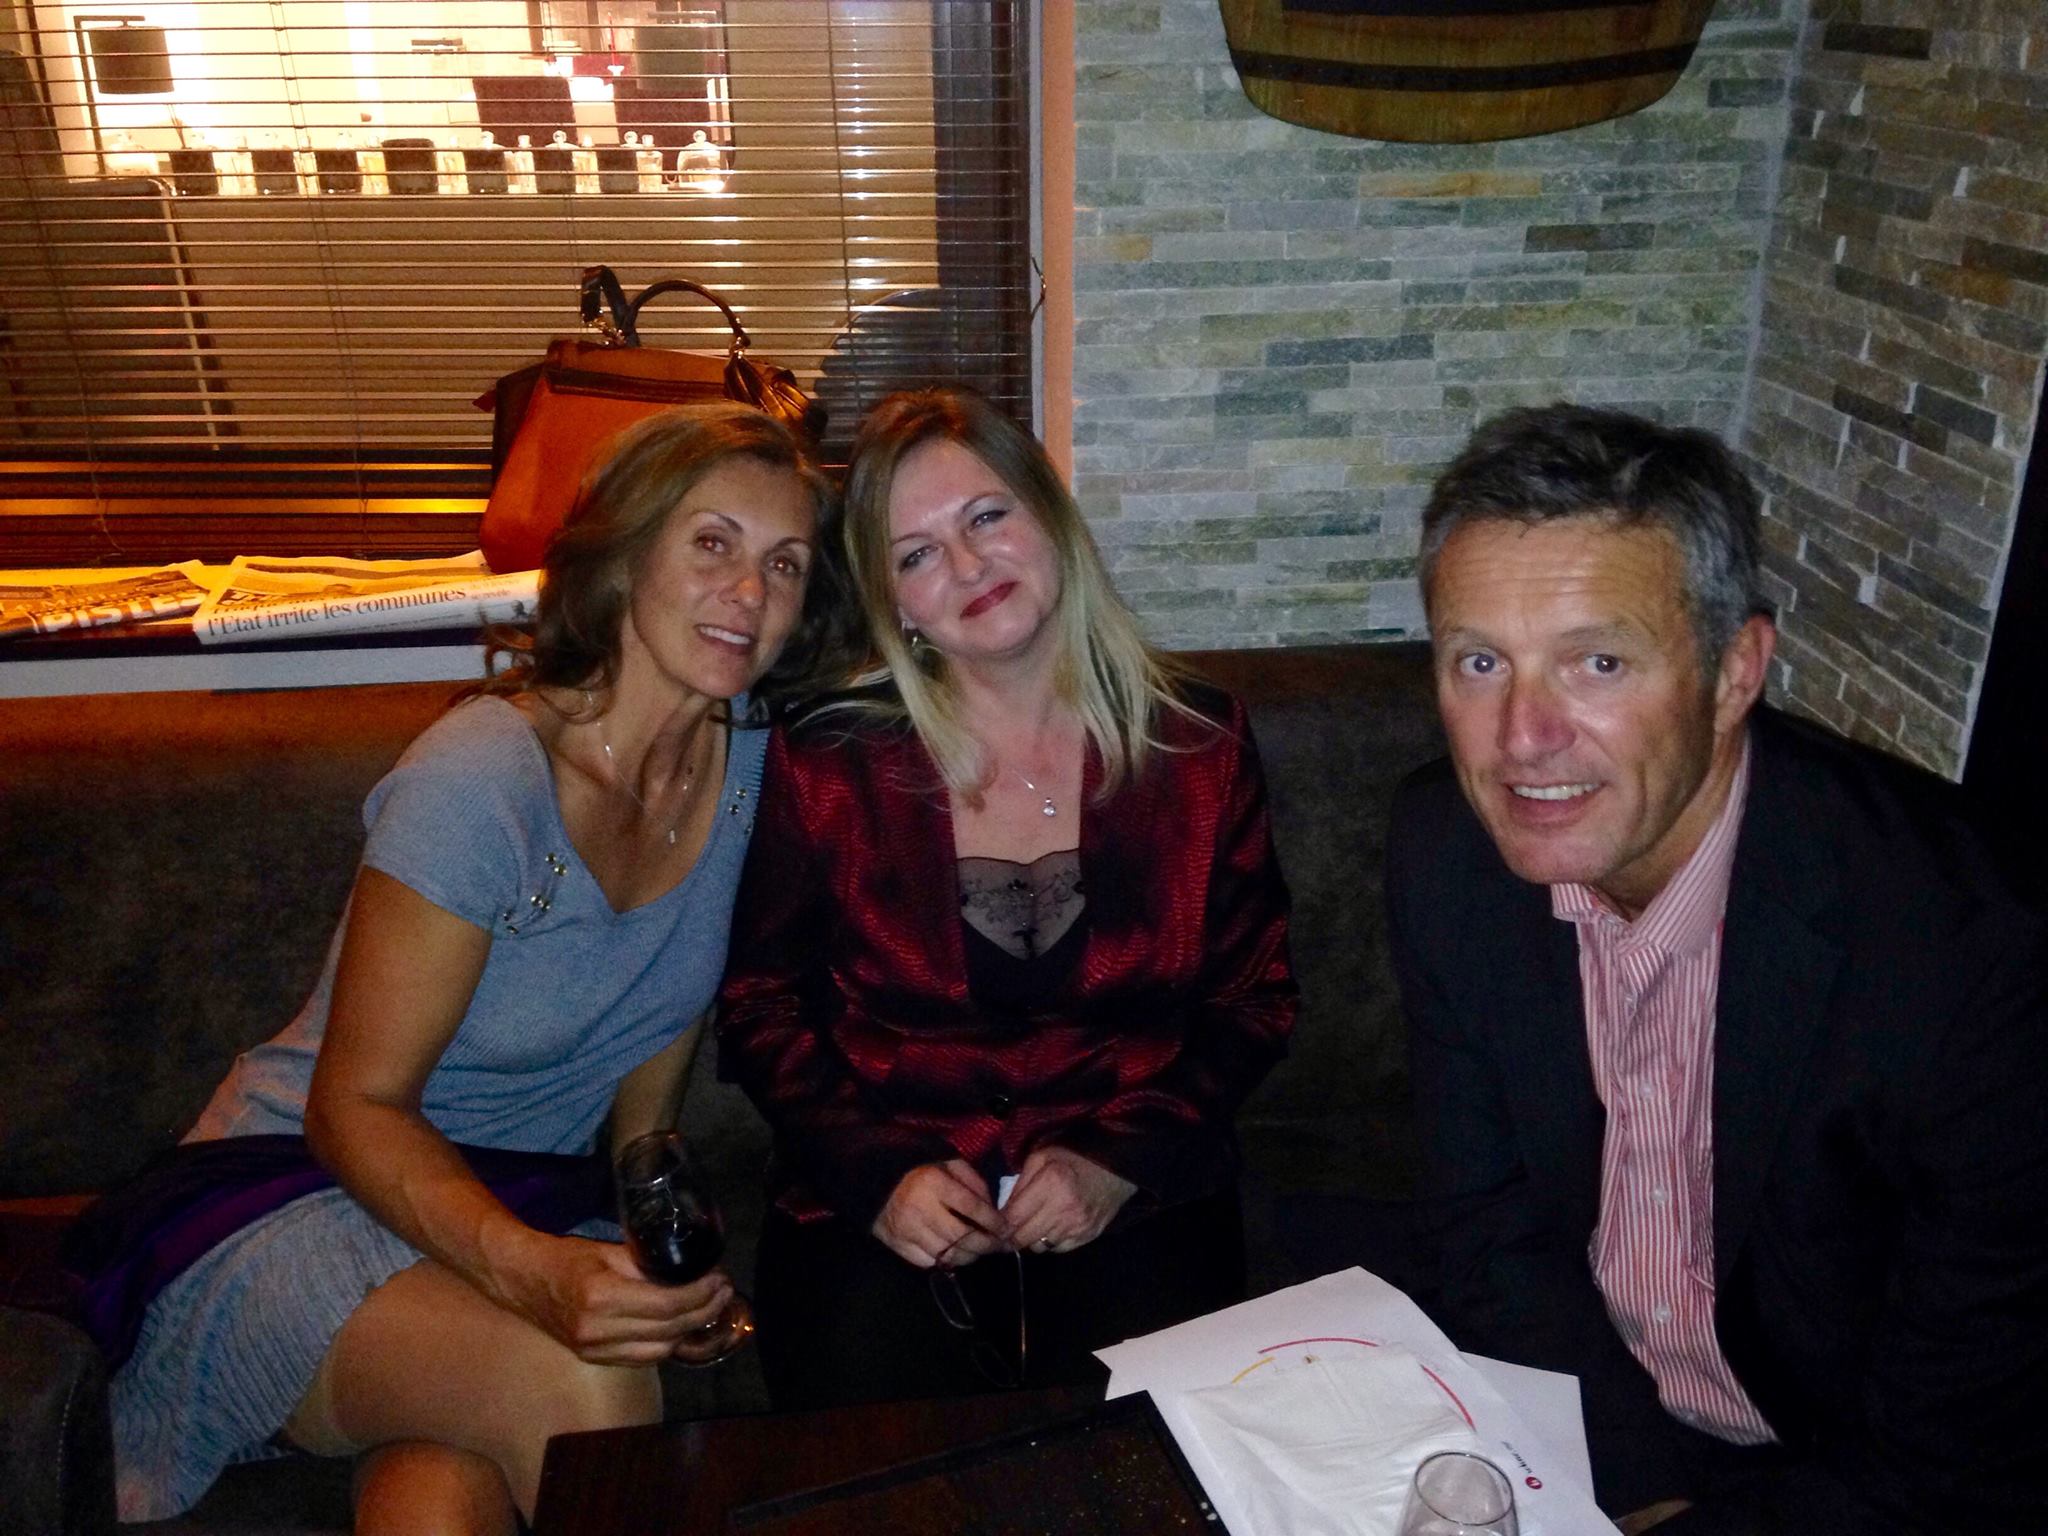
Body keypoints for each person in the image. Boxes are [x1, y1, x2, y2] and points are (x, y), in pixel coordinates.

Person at [64, 403, 844, 1533]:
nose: (748, 591)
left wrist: (664, 1260)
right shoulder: (480, 780)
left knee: (437, 1498)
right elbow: (353, 1106)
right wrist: (534, 1275)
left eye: (784, 564)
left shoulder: (754, 774)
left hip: (523, 1206)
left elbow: (643, 1108)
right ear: (624, 557)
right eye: (711, 542)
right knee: (584, 1390)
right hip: (306, 1193)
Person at [1385, 402, 2048, 1534]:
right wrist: (1640, 1489)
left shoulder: (1972, 952)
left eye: (1597, 662)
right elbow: (1490, 1228)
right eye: (1480, 661)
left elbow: (1956, 1441)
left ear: (1735, 671)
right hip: (1609, 1423)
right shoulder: (1445, 851)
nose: (1521, 737)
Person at [715, 387, 1299, 1409]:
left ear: (1050, 519)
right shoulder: (827, 760)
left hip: (1138, 1192)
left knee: (1141, 1464)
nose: (969, 565)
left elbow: (1254, 999)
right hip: (880, 1203)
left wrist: (1116, 1160)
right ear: (894, 603)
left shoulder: (1199, 747)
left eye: (986, 516)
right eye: (917, 554)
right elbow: (760, 1005)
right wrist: (877, 1174)